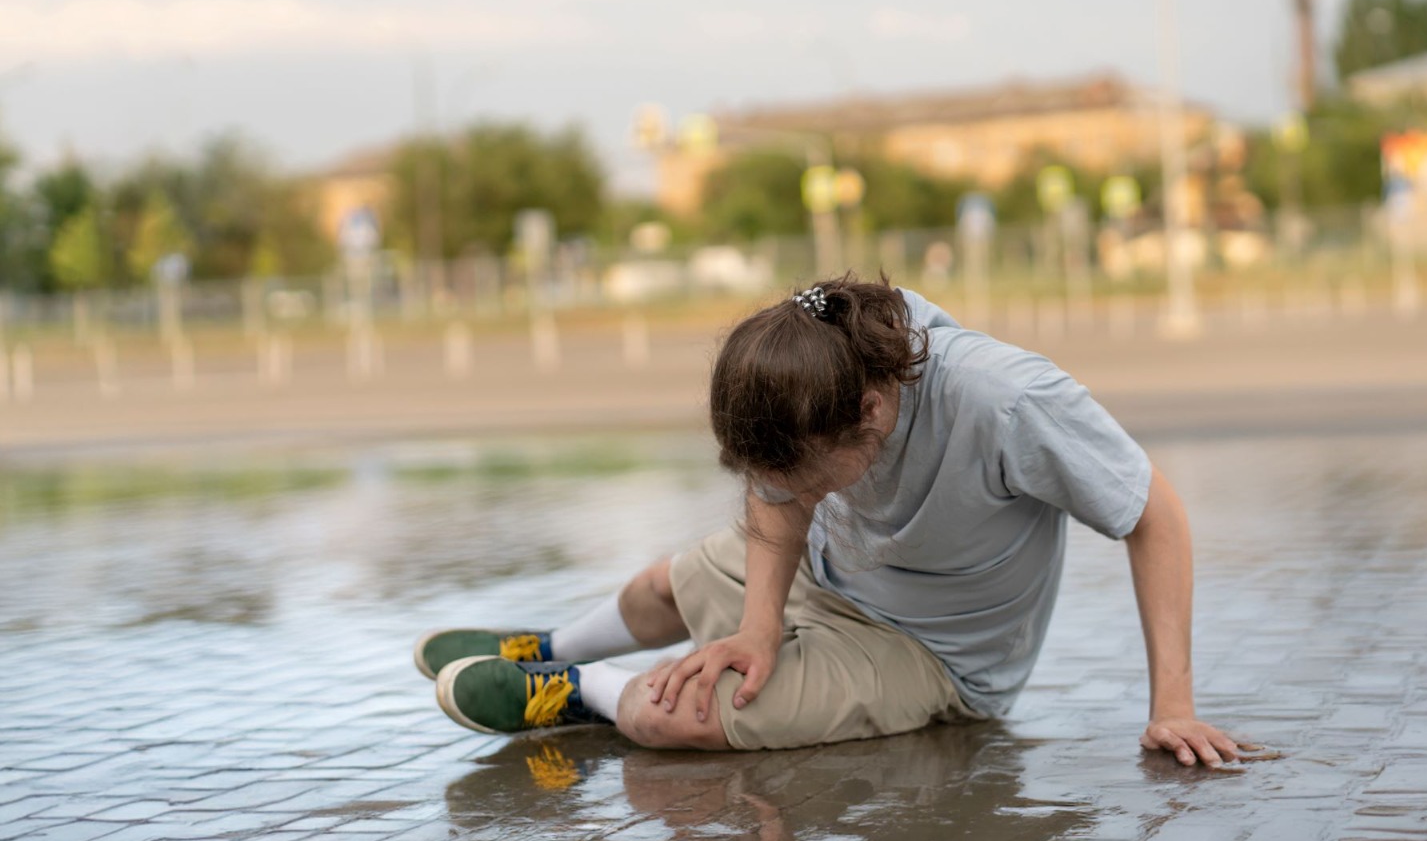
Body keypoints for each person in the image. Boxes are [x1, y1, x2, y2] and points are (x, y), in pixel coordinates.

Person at [415, 275, 1245, 768]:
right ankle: (547, 646)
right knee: (660, 583)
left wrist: (1172, 701)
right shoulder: (817, 348)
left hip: (932, 656)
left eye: (798, 473)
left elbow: (1155, 513)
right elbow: (781, 502)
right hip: (830, 575)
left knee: (675, 718)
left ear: (873, 414)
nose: (776, 492)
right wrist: (760, 626)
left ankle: (570, 690)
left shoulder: (1008, 401)